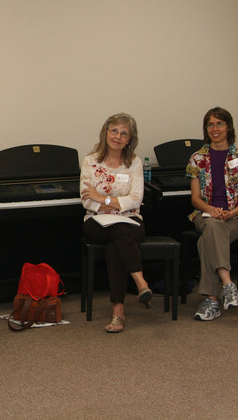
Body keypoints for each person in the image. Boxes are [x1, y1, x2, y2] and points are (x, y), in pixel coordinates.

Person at [80, 113, 150, 333]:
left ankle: (118, 312)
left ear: (129, 139)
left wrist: (103, 199)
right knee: (120, 229)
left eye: (124, 133)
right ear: (105, 132)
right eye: (114, 131)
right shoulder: (90, 161)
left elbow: (137, 199)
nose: (118, 137)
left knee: (116, 244)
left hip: (131, 221)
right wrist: (115, 204)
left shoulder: (134, 163)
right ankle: (140, 282)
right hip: (96, 222)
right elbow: (86, 200)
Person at [187, 107, 238, 321]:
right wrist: (211, 210)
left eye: (219, 124)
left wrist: (231, 213)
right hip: (205, 215)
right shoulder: (197, 158)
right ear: (206, 129)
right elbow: (195, 199)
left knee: (206, 240)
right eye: (210, 124)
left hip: (236, 217)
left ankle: (211, 300)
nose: (215, 129)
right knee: (213, 225)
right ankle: (228, 284)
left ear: (228, 127)